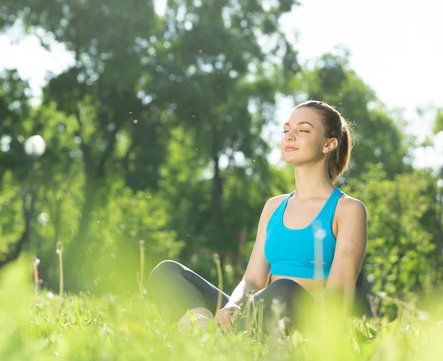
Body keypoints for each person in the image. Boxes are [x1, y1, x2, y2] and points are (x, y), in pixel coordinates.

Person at [147, 100, 368, 334]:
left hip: (304, 326)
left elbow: (337, 298)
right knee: (167, 271)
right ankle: (205, 335)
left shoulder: (347, 209)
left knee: (285, 289)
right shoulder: (274, 206)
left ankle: (218, 340)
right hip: (258, 316)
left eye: (302, 130)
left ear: (329, 144)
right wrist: (233, 305)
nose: (289, 136)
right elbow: (252, 280)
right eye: (286, 130)